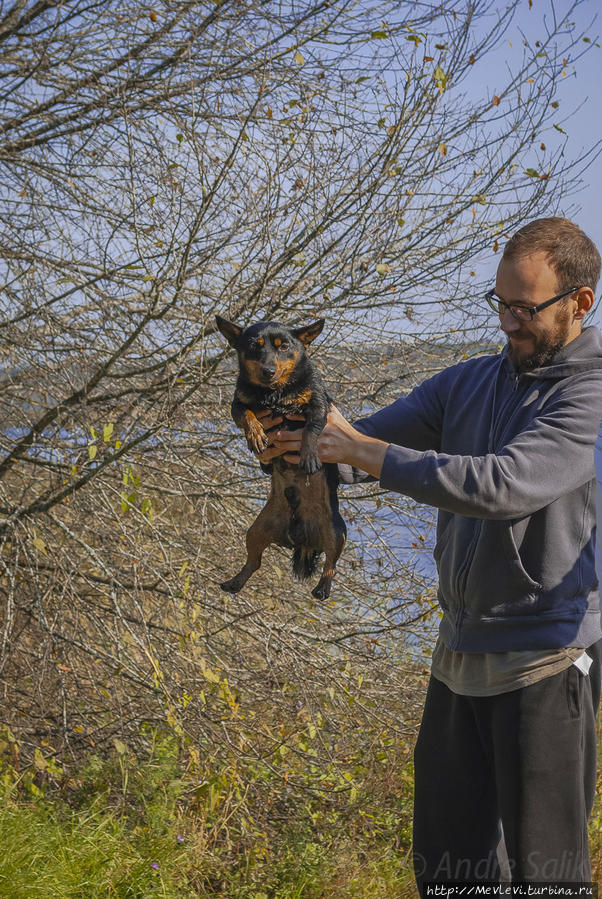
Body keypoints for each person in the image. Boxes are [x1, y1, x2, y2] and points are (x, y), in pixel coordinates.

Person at [258, 218, 602, 891]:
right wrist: (297, 442)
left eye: (525, 308)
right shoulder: (466, 383)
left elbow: (504, 485)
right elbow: (360, 446)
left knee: (548, 877)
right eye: (499, 303)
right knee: (450, 872)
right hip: (459, 657)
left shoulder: (589, 395)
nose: (507, 322)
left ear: (580, 303)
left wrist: (362, 452)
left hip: (548, 659)